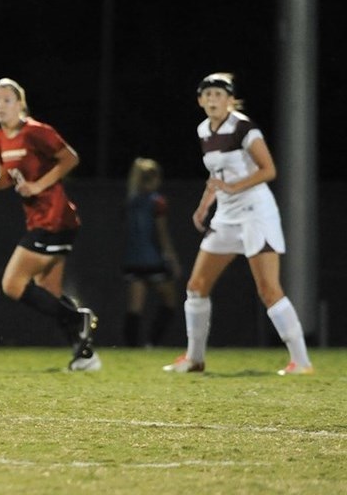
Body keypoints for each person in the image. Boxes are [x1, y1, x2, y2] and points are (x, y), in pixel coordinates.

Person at [163, 73, 314, 375]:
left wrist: (233, 188)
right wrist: (204, 205)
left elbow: (268, 169)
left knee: (268, 289)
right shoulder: (204, 130)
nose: (213, 99)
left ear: (230, 100)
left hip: (255, 212)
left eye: (219, 94)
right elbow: (217, 175)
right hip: (226, 216)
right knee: (196, 286)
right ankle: (195, 359)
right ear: (200, 101)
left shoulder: (243, 127)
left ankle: (301, 361)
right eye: (207, 95)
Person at [0, 78, 100, 371]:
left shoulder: (36, 131)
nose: (0, 105)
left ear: (20, 104)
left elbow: (70, 158)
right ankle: (86, 357)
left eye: (7, 100)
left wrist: (38, 185)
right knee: (49, 292)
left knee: (12, 283)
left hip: (55, 218)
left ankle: (77, 318)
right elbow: (6, 176)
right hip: (43, 220)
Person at [121, 157, 181, 347]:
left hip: (132, 259)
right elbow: (161, 234)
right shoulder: (157, 202)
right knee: (170, 302)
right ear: (155, 179)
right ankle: (151, 342)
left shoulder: (131, 201)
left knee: (135, 308)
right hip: (152, 259)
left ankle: (131, 347)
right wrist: (171, 259)